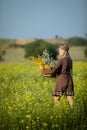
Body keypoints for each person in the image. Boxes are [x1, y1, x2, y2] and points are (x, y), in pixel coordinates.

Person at [41, 43, 74, 108]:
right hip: (69, 79)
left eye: (61, 50)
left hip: (62, 79)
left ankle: (58, 111)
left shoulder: (61, 59)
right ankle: (74, 112)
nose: (59, 51)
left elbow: (54, 70)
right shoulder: (70, 60)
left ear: (65, 51)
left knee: (56, 98)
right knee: (70, 98)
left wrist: (43, 70)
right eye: (59, 50)